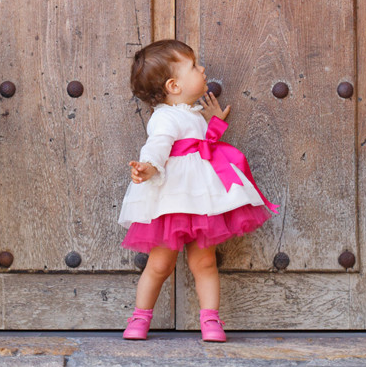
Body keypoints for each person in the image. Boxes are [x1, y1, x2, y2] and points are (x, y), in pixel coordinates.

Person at [118, 40, 278, 342]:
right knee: (160, 263)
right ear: (174, 85)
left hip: (201, 203)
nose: (202, 69)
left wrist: (214, 122)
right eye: (194, 66)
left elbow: (207, 144)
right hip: (172, 202)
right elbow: (157, 146)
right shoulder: (164, 117)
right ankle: (140, 317)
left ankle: (211, 319)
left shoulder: (190, 113)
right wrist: (148, 167)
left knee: (204, 261)